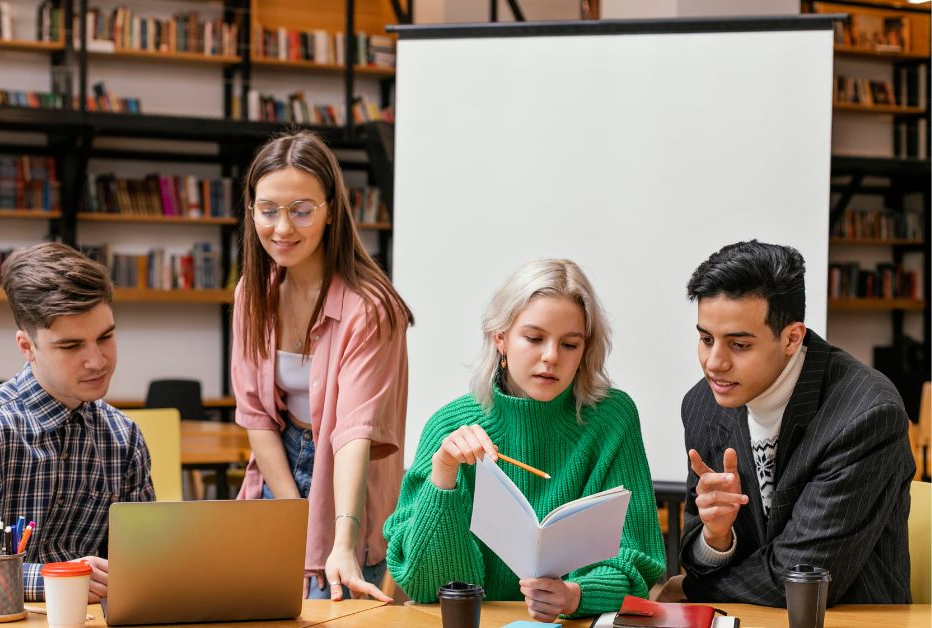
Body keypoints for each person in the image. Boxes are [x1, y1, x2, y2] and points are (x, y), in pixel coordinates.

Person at [383, 259, 665, 621]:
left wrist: (575, 596)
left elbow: (636, 559)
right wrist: (443, 475)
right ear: (500, 339)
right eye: (534, 338)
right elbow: (428, 586)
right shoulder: (448, 426)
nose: (551, 357)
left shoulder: (612, 417)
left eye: (570, 344)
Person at [659, 240, 914, 605]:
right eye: (705, 338)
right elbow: (696, 552)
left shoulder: (867, 414)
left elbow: (802, 576)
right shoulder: (702, 405)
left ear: (792, 338)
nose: (714, 362)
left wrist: (689, 589)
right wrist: (716, 539)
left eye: (739, 345)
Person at [231, 131, 412, 602]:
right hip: (279, 467)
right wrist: (293, 511)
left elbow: (353, 432)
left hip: (347, 476)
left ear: (332, 209)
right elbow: (256, 416)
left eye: (302, 210)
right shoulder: (252, 292)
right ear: (251, 211)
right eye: (268, 210)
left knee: (336, 600)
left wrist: (342, 540)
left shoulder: (370, 308)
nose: (283, 228)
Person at [0, 242, 155, 602]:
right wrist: (53, 578)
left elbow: (145, 558)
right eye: (71, 346)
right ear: (27, 346)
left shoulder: (123, 438)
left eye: (106, 337)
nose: (97, 361)